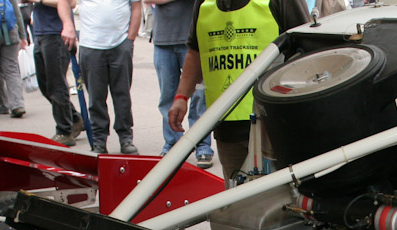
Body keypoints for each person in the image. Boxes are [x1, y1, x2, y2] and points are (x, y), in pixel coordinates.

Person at [168, 0, 308, 180]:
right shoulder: (204, 4)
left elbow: (306, 47)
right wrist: (181, 96)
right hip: (227, 125)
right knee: (236, 195)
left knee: (277, 197)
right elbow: (196, 51)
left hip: (273, 126)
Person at [59, 0, 141, 154]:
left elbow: (136, 7)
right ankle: (99, 140)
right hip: (91, 46)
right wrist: (67, 24)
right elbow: (63, 2)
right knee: (96, 98)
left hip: (120, 44)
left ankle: (126, 138)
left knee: (122, 96)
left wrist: (130, 39)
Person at [146, 0, 214, 164]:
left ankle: (202, 145)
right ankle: (173, 144)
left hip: (193, 42)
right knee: (168, 98)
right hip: (163, 41)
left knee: (199, 97)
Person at [32, 0, 83, 144]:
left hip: (56, 33)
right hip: (40, 31)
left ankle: (64, 131)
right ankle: (74, 118)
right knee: (45, 85)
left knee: (56, 84)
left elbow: (70, 3)